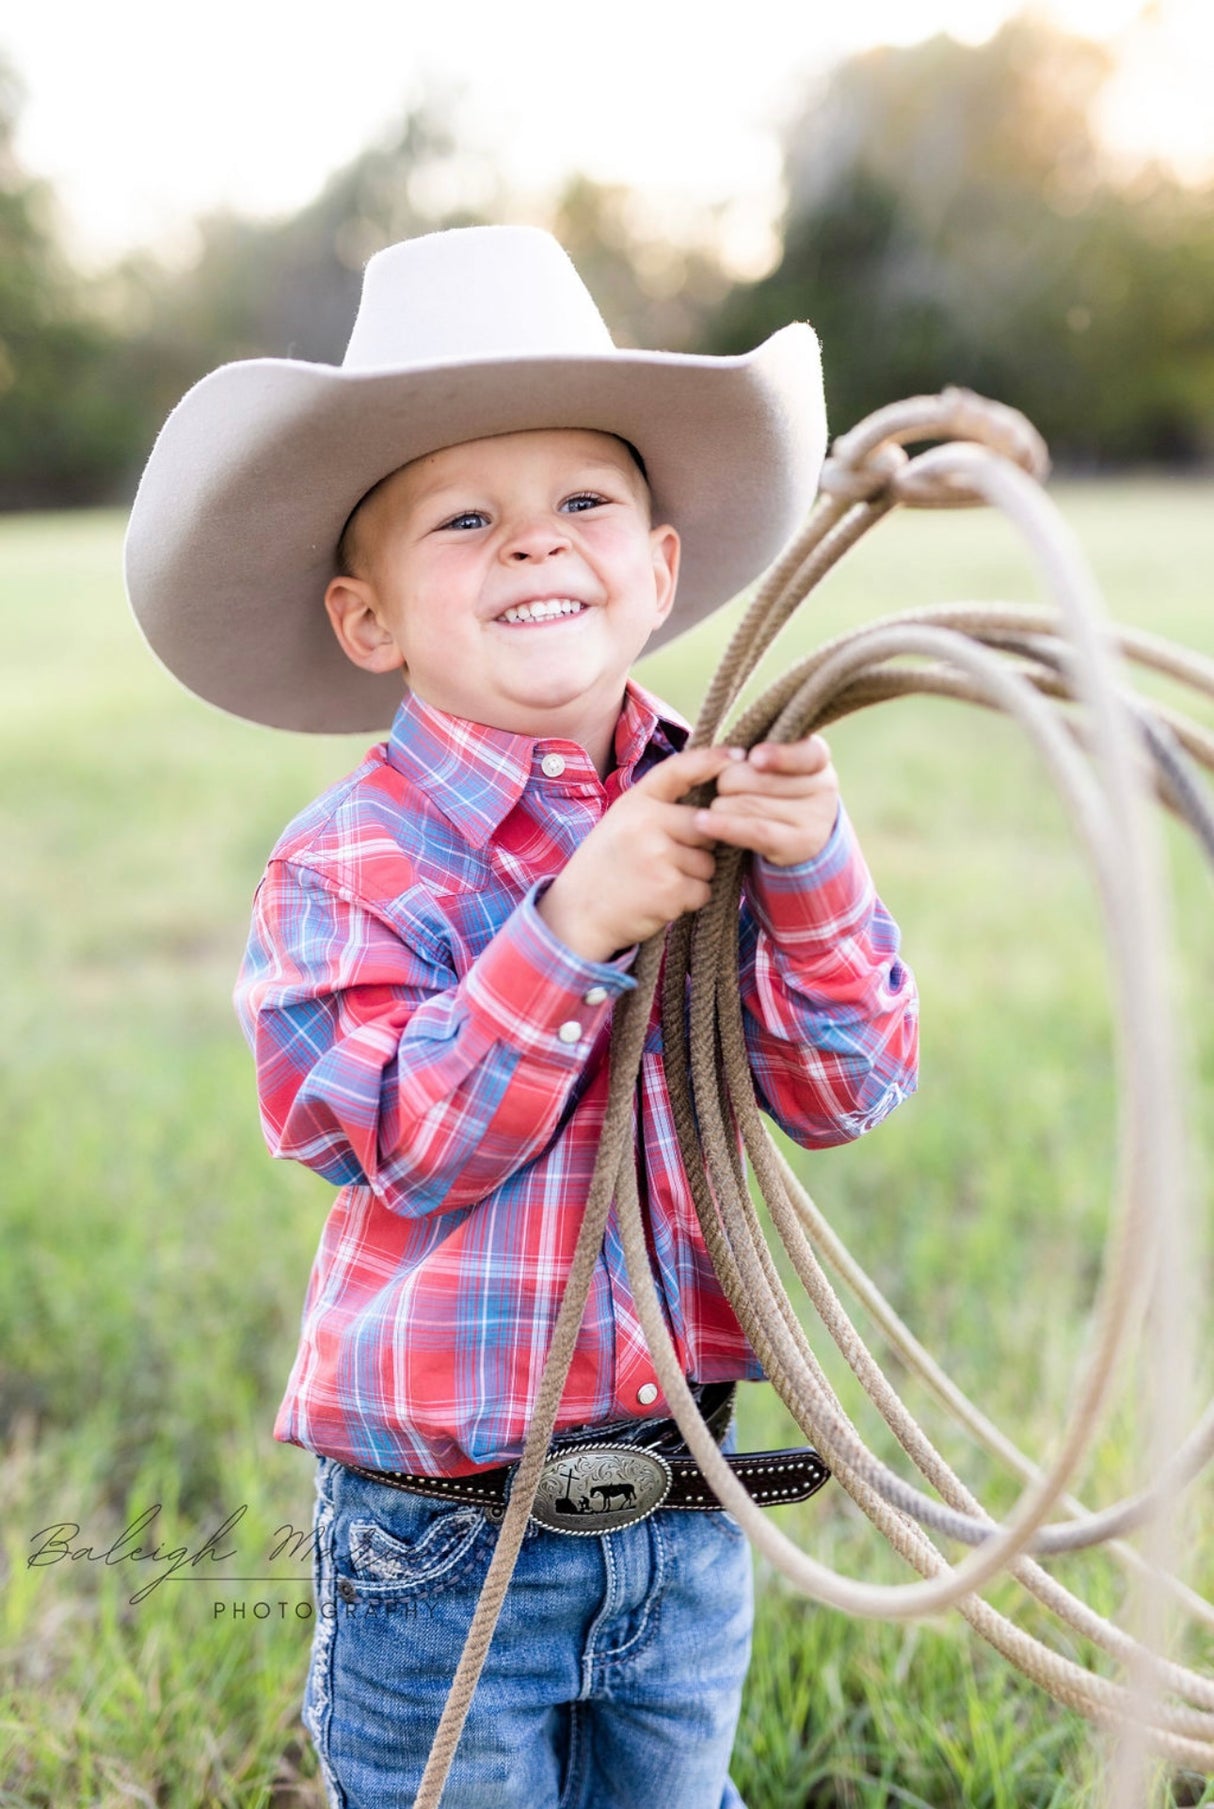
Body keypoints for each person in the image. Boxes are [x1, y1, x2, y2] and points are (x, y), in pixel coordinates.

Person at [125, 225, 918, 1809]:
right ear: (369, 621)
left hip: (684, 1498)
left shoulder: (719, 799)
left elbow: (840, 1087)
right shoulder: (346, 862)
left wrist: (815, 863)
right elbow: (395, 1141)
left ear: (658, 564)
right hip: (443, 1526)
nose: (536, 547)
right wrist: (569, 928)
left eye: (581, 504)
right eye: (466, 518)